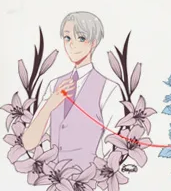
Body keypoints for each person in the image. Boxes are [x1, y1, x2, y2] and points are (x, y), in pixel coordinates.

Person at [22, 11, 121, 170]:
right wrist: (50, 104)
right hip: (54, 176)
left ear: (93, 43)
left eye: (81, 38)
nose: (72, 44)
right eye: (67, 38)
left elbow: (112, 147)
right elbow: (29, 142)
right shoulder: (54, 85)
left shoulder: (109, 88)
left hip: (89, 177)